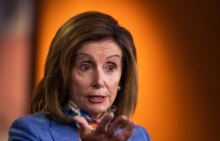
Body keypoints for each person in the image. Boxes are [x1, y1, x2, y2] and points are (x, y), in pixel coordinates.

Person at [8, 11, 150, 141]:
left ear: (122, 78)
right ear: (63, 74)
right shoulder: (29, 131)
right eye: (85, 66)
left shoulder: (140, 136)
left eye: (110, 67)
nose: (99, 81)